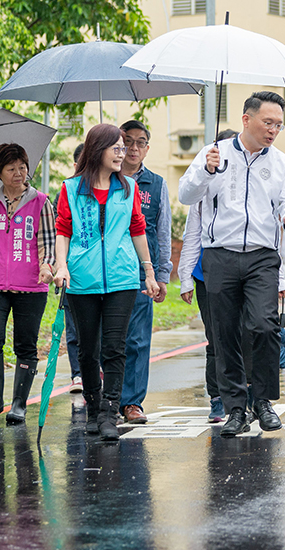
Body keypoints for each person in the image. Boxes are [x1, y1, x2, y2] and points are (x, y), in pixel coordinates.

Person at [179, 91, 285, 438]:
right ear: (246, 120)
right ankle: (235, 408)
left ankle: (263, 400)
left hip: (262, 256)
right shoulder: (213, 155)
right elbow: (185, 196)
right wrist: (205, 171)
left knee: (264, 326)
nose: (273, 130)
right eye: (268, 122)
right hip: (220, 254)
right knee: (224, 334)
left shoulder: (281, 162)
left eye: (279, 125)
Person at [54, 123, 160, 440]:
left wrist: (150, 273)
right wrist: (61, 265)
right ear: (97, 150)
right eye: (116, 148)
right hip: (82, 280)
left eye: (123, 148)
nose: (123, 153)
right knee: (89, 349)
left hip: (122, 279)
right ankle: (93, 407)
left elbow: (138, 229)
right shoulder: (71, 189)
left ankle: (109, 413)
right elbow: (63, 230)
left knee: (115, 348)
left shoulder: (127, 187)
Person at [0, 143, 55, 423]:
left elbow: (48, 242)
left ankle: (19, 402)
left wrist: (47, 266)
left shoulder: (40, 201)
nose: (19, 173)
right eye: (11, 168)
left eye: (22, 167)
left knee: (26, 344)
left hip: (30, 284)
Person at [118, 120, 172, 425]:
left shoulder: (156, 184)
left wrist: (162, 274)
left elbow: (163, 232)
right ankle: (107, 397)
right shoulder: (103, 181)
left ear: (147, 148)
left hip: (141, 273)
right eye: (127, 141)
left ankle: (132, 402)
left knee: (137, 340)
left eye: (140, 142)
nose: (133, 148)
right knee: (108, 339)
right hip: (107, 271)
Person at [63, 143, 84, 394]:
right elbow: (62, 233)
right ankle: (76, 374)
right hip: (71, 270)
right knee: (72, 327)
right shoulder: (67, 190)